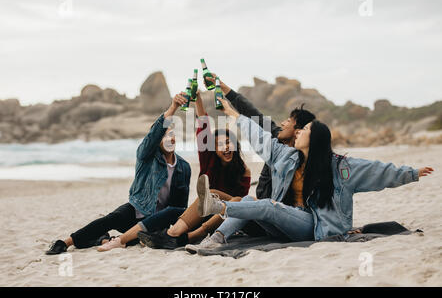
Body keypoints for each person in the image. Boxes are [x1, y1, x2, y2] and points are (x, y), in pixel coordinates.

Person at [185, 97, 434, 253]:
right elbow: (259, 137)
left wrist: (411, 173)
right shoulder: (287, 157)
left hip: (314, 227)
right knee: (250, 201)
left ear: (315, 139)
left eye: (304, 130)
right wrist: (232, 114)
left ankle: (218, 206)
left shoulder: (340, 168)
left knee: (270, 206)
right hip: (284, 225)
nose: (298, 132)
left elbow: (378, 172)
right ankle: (215, 240)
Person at [45, 93, 191, 255]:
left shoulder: (183, 167)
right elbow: (153, 135)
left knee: (142, 239)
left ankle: (104, 239)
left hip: (156, 220)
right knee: (110, 219)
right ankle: (65, 242)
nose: (169, 139)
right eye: (164, 136)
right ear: (157, 141)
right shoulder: (146, 156)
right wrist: (173, 108)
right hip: (137, 208)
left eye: (171, 135)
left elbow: (180, 206)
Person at [137, 89, 251, 249]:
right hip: (203, 213)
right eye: (220, 144)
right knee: (180, 209)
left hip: (226, 217)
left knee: (231, 199)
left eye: (228, 142)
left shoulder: (244, 170)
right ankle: (163, 235)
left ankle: (188, 237)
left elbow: (241, 207)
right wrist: (197, 97)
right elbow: (203, 124)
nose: (226, 147)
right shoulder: (208, 160)